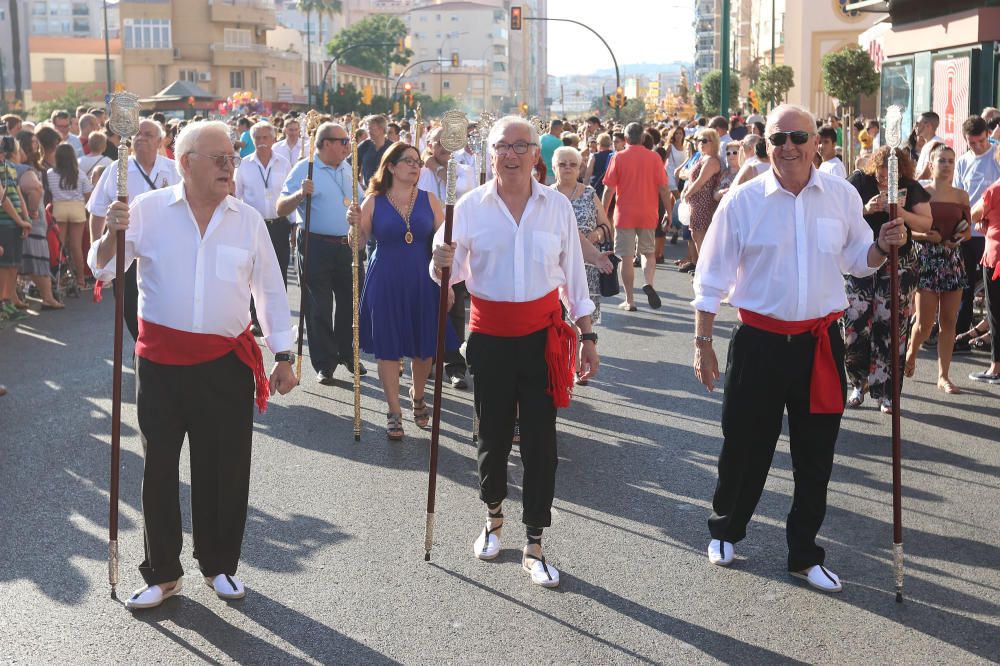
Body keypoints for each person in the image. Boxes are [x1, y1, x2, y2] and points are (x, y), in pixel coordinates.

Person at [692, 104, 910, 593]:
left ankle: (803, 553)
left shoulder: (840, 196)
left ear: (817, 142)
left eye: (797, 136)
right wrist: (703, 341)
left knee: (816, 455)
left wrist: (883, 245)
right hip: (758, 343)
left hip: (818, 343)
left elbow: (858, 260)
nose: (787, 146)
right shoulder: (742, 201)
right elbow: (711, 277)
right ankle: (727, 529)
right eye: (776, 138)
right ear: (764, 144)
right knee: (745, 446)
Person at [88, 119, 297, 611]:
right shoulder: (147, 210)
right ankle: (163, 573)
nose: (231, 166)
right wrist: (109, 234)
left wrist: (283, 354)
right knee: (159, 468)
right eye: (219, 158)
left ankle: (219, 564)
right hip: (161, 364)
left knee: (222, 469)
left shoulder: (247, 219)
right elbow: (101, 266)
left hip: (225, 364)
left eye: (232, 157)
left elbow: (268, 289)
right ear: (185, 163)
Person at [431, 115, 598, 589]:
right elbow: (450, 273)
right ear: (491, 155)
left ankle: (535, 540)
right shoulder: (467, 207)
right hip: (489, 337)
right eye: (501, 146)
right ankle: (493, 517)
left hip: (543, 339)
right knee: (493, 435)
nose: (509, 154)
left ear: (535, 155)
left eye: (519, 146)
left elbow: (575, 280)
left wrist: (587, 337)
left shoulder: (556, 208)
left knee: (542, 443)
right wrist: (438, 263)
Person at [350, 142, 455, 439]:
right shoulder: (373, 201)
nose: (415, 166)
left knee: (424, 349)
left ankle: (417, 395)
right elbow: (356, 245)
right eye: (408, 161)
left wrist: (448, 283)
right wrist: (354, 227)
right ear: (391, 167)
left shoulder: (430, 199)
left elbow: (447, 242)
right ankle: (394, 411)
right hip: (385, 279)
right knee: (389, 347)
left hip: (423, 280)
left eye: (418, 161)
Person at [844, 146, 933, 412]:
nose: (883, 181)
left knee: (892, 327)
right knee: (855, 325)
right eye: (880, 176)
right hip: (862, 260)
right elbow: (836, 213)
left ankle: (887, 393)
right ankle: (858, 384)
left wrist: (899, 212)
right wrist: (866, 209)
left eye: (889, 177)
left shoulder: (910, 186)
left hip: (899, 264)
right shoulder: (859, 181)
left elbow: (926, 224)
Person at [277, 121, 366, 384]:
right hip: (315, 244)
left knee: (350, 304)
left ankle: (347, 354)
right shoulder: (306, 167)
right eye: (343, 142)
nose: (347, 147)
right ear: (326, 143)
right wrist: (299, 194)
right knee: (319, 306)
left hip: (346, 245)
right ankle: (324, 362)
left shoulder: (347, 168)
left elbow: (360, 200)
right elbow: (281, 207)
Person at [88, 119, 179, 341]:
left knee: (166, 309)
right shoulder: (117, 168)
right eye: (137, 134)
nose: (141, 138)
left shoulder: (173, 169)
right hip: (127, 253)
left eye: (148, 134)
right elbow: (97, 210)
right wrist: (98, 249)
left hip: (166, 254)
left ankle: (154, 353)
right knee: (130, 309)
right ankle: (142, 349)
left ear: (159, 140)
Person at [905, 143, 971, 394]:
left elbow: (967, 230)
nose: (946, 165)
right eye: (941, 160)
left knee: (949, 320)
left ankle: (943, 376)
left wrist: (958, 238)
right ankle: (911, 353)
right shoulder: (919, 191)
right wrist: (926, 237)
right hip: (927, 259)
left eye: (950, 161)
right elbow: (908, 228)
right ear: (931, 163)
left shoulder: (960, 195)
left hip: (953, 259)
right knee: (924, 322)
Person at [417, 127, 477, 390]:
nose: (442, 147)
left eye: (448, 143)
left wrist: (442, 170)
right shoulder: (419, 172)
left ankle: (455, 366)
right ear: (429, 144)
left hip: (456, 246)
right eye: (437, 143)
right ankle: (426, 360)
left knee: (454, 305)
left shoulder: (464, 171)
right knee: (425, 305)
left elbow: (465, 191)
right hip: (422, 245)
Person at [552, 145, 615, 377]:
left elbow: (607, 226)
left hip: (588, 266)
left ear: (580, 168)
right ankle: (566, 366)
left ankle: (584, 363)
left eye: (572, 164)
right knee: (560, 320)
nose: (567, 168)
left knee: (584, 317)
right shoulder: (547, 195)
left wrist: (594, 236)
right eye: (562, 164)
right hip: (556, 267)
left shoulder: (589, 193)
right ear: (554, 168)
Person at [601, 122, 671, 311]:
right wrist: (669, 212)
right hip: (648, 212)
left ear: (625, 139)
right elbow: (664, 189)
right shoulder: (655, 158)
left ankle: (630, 300)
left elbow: (609, 190)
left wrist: (601, 214)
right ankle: (648, 282)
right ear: (642, 138)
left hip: (624, 214)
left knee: (626, 257)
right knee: (648, 252)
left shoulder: (618, 157)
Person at [235, 121, 293, 335]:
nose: (261, 142)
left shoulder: (283, 163)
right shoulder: (243, 165)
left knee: (279, 271)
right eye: (257, 138)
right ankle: (256, 318)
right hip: (253, 226)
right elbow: (237, 196)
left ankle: (279, 318)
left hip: (279, 224)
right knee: (253, 272)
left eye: (265, 138)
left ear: (273, 139)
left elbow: (288, 194)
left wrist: (294, 224)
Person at [952, 116, 1000, 352]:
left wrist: (986, 220)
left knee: (993, 290)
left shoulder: (997, 156)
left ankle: (991, 335)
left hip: (991, 234)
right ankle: (961, 336)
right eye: (973, 143)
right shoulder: (962, 162)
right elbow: (960, 196)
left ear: (987, 136)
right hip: (968, 232)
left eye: (982, 141)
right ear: (966, 141)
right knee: (965, 286)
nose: (978, 146)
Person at [14, 131, 61, 309]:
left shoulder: (36, 166)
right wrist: (33, 210)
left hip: (38, 215)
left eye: (36, 142)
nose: (36, 145)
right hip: (29, 216)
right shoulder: (23, 167)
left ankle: (43, 296)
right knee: (33, 257)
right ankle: (46, 297)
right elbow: (34, 190)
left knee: (37, 257)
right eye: (32, 142)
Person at [968, 144, 1000, 384]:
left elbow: (973, 215)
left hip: (996, 257)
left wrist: (985, 222)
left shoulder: (995, 190)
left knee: (996, 313)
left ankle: (995, 368)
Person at [47, 144, 93, 289]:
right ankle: (80, 279)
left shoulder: (50, 173)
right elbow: (88, 195)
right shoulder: (79, 174)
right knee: (76, 246)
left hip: (59, 208)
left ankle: (58, 279)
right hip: (77, 208)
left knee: (59, 246)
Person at [680, 128, 722, 274]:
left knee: (701, 235)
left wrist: (687, 193)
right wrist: (686, 192)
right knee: (695, 234)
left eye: (704, 140)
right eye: (698, 140)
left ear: (713, 142)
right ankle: (700, 267)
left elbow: (700, 181)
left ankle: (705, 269)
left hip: (704, 202)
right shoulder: (701, 157)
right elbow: (687, 175)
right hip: (695, 202)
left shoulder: (712, 160)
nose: (700, 143)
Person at [0, 137, 31, 320]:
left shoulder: (10, 167)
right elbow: (3, 200)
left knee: (14, 265)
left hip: (17, 221)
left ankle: (8, 299)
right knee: (5, 265)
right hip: (5, 223)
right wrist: (20, 221)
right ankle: (3, 301)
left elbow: (18, 192)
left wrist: (25, 218)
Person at [357, 115, 392, 188]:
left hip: (388, 192)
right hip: (368, 192)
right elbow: (351, 164)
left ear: (381, 129)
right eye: (368, 128)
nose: (368, 131)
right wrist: (357, 183)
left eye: (371, 128)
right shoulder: (364, 146)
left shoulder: (392, 148)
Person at [914, 111, 943, 179]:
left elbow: (926, 173)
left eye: (918, 123)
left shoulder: (935, 143)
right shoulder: (928, 144)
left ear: (928, 126)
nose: (915, 126)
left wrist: (913, 186)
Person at [585, 132, 614, 198]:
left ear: (598, 143)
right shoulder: (614, 155)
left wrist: (585, 187)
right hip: (610, 185)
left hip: (596, 185)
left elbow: (588, 173)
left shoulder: (594, 156)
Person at [539, 119, 563, 185]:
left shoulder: (539, 138)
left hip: (540, 174)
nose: (561, 132)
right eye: (561, 129)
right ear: (557, 128)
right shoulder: (559, 142)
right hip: (553, 175)